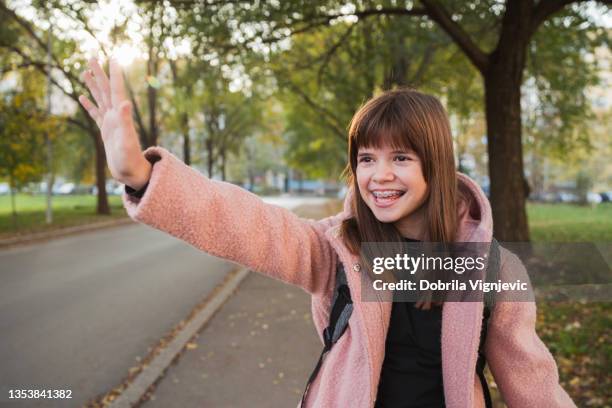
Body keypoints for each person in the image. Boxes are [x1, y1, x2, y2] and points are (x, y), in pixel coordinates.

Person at [79, 58, 576, 408]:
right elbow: (245, 224)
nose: (379, 175)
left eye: (400, 158)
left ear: (437, 166)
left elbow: (534, 385)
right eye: (366, 159)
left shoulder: (495, 269)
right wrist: (143, 177)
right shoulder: (337, 247)